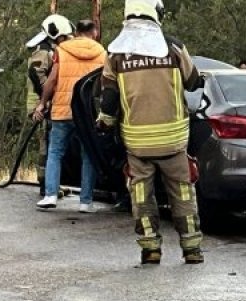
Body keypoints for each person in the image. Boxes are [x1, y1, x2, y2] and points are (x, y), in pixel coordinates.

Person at [98, 0, 206, 265]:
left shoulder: (116, 53)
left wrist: (105, 123)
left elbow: (109, 98)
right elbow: (193, 82)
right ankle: (191, 249)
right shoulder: (173, 47)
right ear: (156, 14)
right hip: (173, 140)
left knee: (141, 196)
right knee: (182, 193)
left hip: (137, 143)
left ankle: (150, 249)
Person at [32, 19, 106, 211]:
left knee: (55, 152)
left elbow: (51, 80)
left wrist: (42, 104)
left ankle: (50, 195)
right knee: (88, 154)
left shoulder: (62, 50)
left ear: (77, 31)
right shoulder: (101, 52)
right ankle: (86, 202)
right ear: (94, 32)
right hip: (87, 113)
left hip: (62, 110)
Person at [25, 15, 71, 196]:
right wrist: (47, 98)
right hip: (41, 106)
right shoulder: (43, 51)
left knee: (50, 143)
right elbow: (36, 72)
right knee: (47, 144)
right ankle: (46, 186)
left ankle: (52, 184)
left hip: (43, 105)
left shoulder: (48, 50)